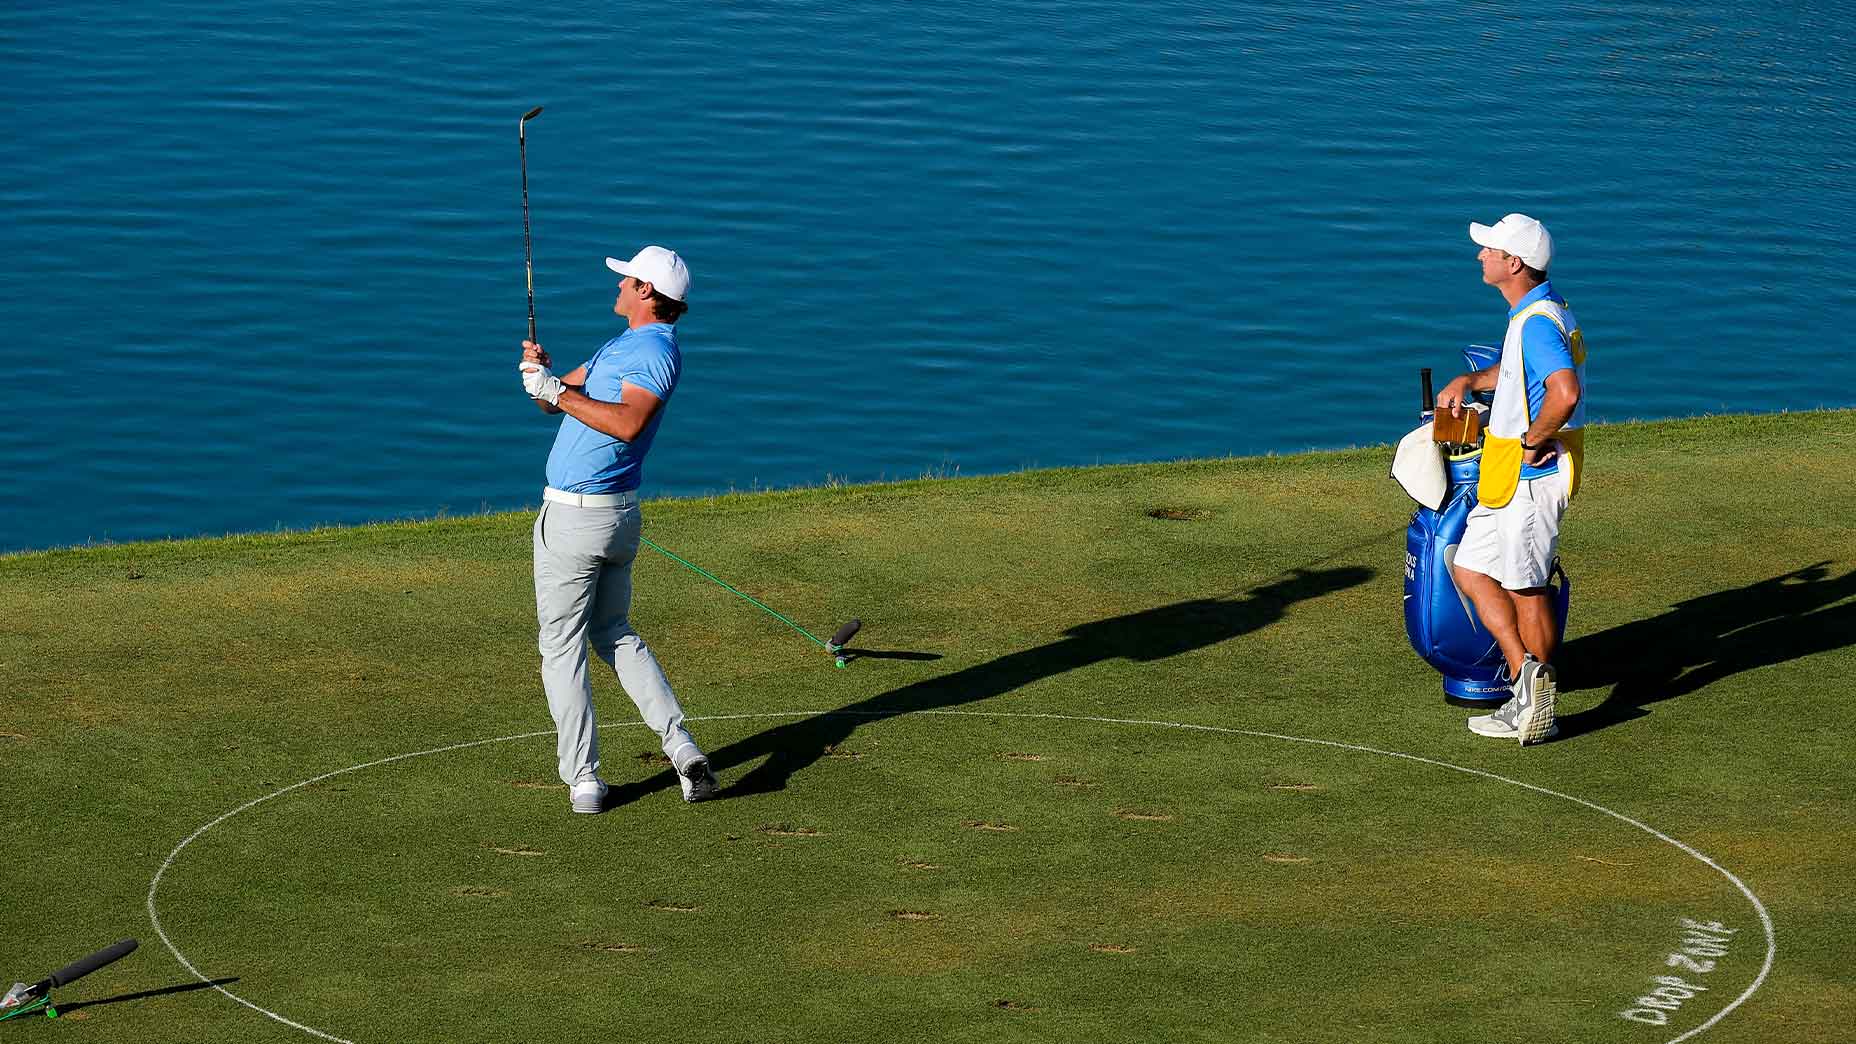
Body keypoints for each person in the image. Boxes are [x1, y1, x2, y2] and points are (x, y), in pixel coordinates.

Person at [518, 245, 720, 812]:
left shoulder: (655, 351)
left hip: (580, 518)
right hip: (610, 519)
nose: (620, 285)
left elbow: (629, 424)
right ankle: (683, 751)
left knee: (561, 647)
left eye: (628, 279)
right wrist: (544, 377)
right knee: (613, 633)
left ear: (646, 293)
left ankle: (583, 779)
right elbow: (556, 403)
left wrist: (555, 391)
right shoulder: (624, 345)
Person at [1435, 213, 1587, 745]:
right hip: (1507, 478)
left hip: (1529, 477)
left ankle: (1538, 707)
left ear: (1513, 263)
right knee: (1473, 569)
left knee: (1526, 588)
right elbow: (1517, 370)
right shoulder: (1535, 314)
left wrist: (1533, 439)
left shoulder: (1538, 322)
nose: (1481, 256)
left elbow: (1563, 391)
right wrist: (1470, 380)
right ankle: (1527, 682)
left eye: (1490, 251)